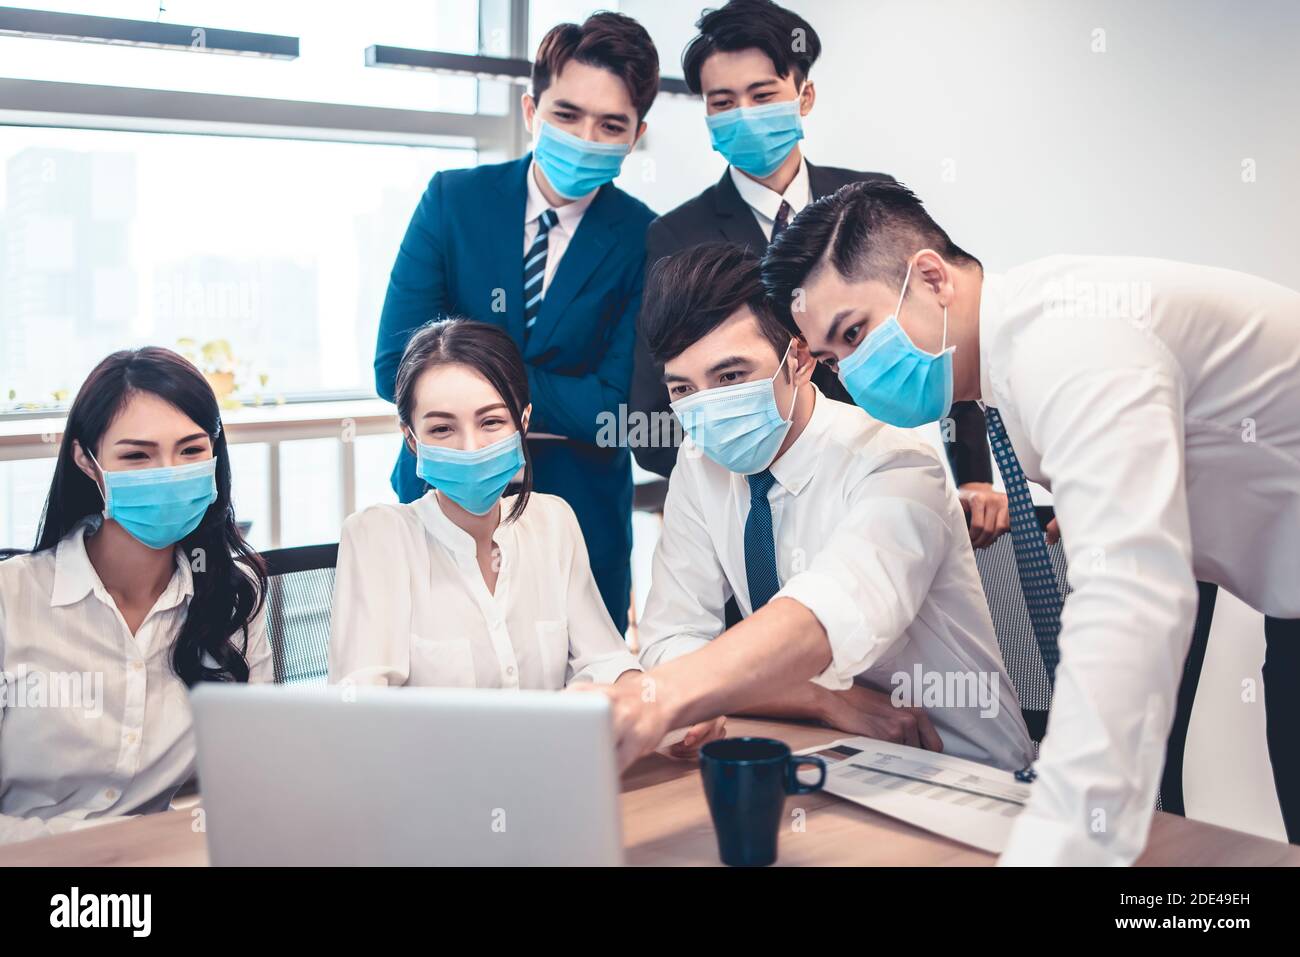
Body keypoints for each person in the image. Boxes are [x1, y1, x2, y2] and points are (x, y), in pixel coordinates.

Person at [756, 180, 1300, 864]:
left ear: (930, 277)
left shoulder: (1064, 343)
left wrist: (1058, 848)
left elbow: (1128, 603)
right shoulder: (1016, 360)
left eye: (856, 333)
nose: (854, 373)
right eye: (834, 360)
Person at [634, 243, 1032, 770]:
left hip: (957, 766)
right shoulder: (699, 462)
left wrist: (666, 693)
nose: (706, 407)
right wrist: (820, 698)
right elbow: (669, 643)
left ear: (798, 359)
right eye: (683, 389)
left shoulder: (895, 461)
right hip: (819, 749)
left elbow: (831, 615)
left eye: (730, 377)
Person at [627, 0, 1007, 546]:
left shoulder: (868, 202)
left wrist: (973, 474)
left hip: (883, 484)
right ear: (706, 114)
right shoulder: (674, 237)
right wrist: (734, 471)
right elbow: (655, 411)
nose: (745, 113)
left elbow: (946, 330)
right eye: (723, 102)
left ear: (804, 95)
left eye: (762, 95)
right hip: (754, 509)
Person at [374, 12, 660, 633]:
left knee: (587, 703)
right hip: (438, 508)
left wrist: (463, 375)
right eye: (567, 114)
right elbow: (394, 366)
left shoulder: (646, 236)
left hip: (583, 518)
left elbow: (615, 410)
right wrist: (555, 397)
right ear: (532, 110)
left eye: (611, 125)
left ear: (635, 136)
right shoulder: (453, 200)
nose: (586, 136)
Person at [330, 319, 726, 753]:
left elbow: (605, 660)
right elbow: (361, 714)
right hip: (432, 804)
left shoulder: (553, 522)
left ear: (524, 422)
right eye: (442, 429)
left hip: (555, 787)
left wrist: (663, 706)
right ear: (411, 440)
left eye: (492, 422)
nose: (471, 447)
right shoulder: (378, 539)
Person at [0, 347, 271, 845]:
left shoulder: (232, 596)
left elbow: (250, 779)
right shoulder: (10, 599)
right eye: (136, 455)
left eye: (191, 450)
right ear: (87, 460)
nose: (168, 471)